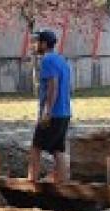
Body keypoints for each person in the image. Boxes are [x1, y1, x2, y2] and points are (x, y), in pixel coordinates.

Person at [28, 30, 72, 183]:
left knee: (35, 148)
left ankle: (31, 184)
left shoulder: (47, 60)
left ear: (44, 44)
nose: (34, 45)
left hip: (53, 113)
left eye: (37, 42)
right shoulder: (61, 60)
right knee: (58, 150)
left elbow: (53, 85)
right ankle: (63, 185)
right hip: (65, 112)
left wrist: (47, 111)